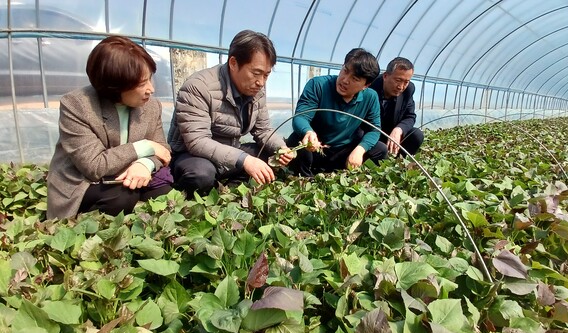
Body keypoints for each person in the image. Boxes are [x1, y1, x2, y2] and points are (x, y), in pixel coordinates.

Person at [46, 36, 172, 219]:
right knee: (120, 198)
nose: (150, 89)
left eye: (150, 79)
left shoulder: (152, 106)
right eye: (141, 83)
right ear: (114, 86)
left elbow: (163, 149)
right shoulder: (77, 105)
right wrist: (146, 146)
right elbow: (94, 166)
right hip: (84, 181)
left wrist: (144, 164)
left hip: (129, 175)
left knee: (164, 193)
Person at [167, 30, 293, 197]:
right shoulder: (199, 87)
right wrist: (244, 160)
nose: (261, 82)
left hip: (231, 151)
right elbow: (197, 141)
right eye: (256, 73)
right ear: (233, 63)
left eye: (266, 75)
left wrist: (281, 148)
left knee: (270, 154)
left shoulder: (257, 91)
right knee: (201, 175)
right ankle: (204, 186)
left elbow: (263, 130)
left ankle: (230, 180)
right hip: (193, 155)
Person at [286, 48, 387, 177]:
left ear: (366, 85)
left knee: (380, 149)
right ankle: (306, 181)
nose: (345, 80)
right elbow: (301, 116)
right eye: (345, 71)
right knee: (297, 139)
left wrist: (360, 150)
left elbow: (374, 129)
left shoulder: (370, 97)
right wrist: (308, 132)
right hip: (316, 148)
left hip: (342, 151)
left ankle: (351, 177)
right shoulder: (318, 85)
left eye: (354, 78)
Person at [369, 57, 424, 156]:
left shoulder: (409, 90)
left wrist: (399, 129)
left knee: (416, 134)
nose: (401, 87)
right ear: (385, 76)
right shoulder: (370, 86)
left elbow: (410, 116)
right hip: (370, 135)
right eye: (398, 80)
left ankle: (399, 163)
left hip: (392, 136)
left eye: (406, 82)